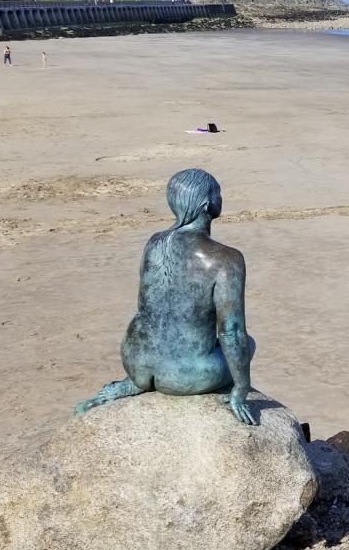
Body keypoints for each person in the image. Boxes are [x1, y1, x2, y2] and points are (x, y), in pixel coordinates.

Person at [75, 169, 257, 425]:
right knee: (248, 343)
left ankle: (135, 383)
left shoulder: (154, 243)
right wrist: (241, 388)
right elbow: (231, 330)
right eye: (218, 192)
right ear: (207, 204)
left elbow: (148, 305)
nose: (221, 197)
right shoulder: (226, 259)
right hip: (184, 378)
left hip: (136, 362)